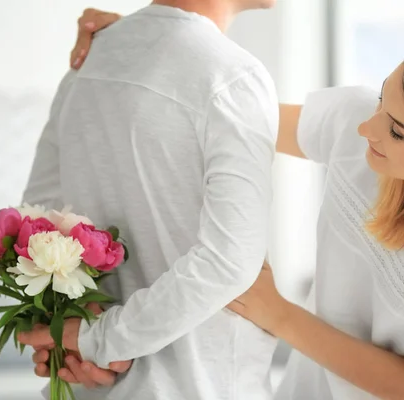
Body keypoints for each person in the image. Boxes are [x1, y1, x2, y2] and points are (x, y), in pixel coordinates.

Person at [37, 11, 404, 400]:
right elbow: (223, 109)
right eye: (382, 103)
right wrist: (152, 39)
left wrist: (278, 314)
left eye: (397, 130)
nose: (370, 128)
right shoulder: (357, 127)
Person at [17, 1, 280, 399]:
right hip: (199, 385)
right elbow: (230, 261)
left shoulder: (91, 60)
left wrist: (80, 335)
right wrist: (97, 341)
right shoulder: (233, 75)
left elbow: (39, 218)